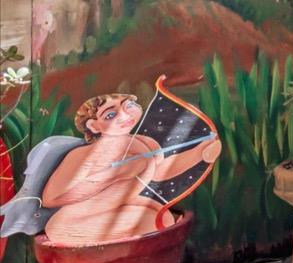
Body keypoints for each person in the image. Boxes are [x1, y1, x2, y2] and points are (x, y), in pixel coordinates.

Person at [39, 93, 221, 245]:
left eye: (129, 106)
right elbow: (50, 198)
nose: (124, 116)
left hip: (112, 211)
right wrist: (113, 175)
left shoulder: (144, 142)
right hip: (73, 223)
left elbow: (161, 171)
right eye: (110, 115)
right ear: (94, 126)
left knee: (161, 216)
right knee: (150, 222)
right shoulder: (83, 155)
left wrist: (200, 153)